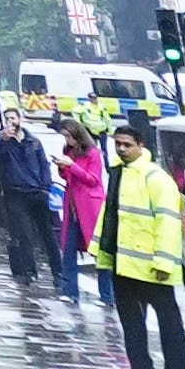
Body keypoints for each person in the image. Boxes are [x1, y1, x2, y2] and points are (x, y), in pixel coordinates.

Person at [98, 128, 185, 369]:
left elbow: (168, 223)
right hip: (123, 263)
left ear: (141, 145)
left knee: (168, 321)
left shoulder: (155, 178)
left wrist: (163, 263)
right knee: (130, 320)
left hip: (151, 267)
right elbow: (110, 217)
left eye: (127, 144)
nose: (121, 149)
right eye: (117, 144)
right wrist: (102, 251)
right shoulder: (119, 173)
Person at [0, 112, 57, 293]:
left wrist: (46, 188)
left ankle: (58, 272)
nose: (10, 122)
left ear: (19, 120)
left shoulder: (33, 141)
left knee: (47, 233)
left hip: (36, 192)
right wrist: (5, 141)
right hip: (15, 193)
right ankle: (30, 272)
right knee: (24, 234)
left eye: (13, 119)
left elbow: (44, 165)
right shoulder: (1, 141)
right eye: (7, 119)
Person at [56, 123, 104, 307]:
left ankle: (107, 295)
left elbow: (93, 180)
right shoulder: (68, 151)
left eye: (69, 137)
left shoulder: (92, 153)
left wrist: (72, 166)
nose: (67, 141)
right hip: (72, 206)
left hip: (89, 206)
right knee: (68, 250)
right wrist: (63, 167)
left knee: (99, 253)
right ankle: (69, 291)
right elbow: (68, 177)